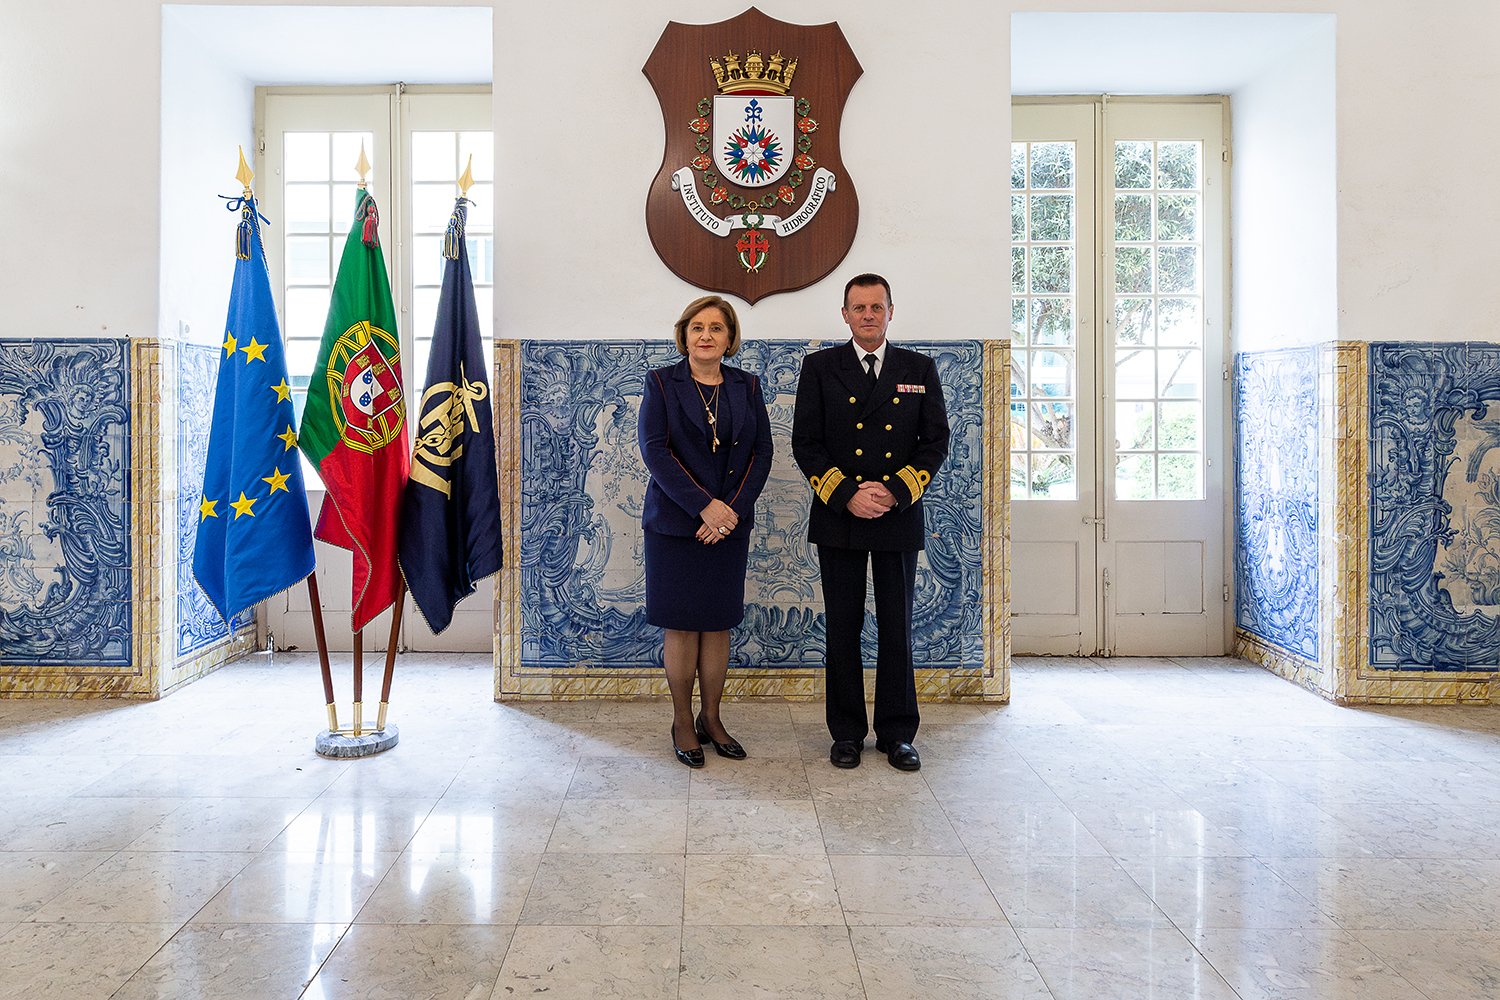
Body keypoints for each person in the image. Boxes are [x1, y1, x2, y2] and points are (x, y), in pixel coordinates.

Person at [791, 273, 950, 771]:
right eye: (858, 307)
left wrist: (896, 491)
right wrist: (847, 495)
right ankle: (846, 733)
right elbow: (806, 443)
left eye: (876, 307)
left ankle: (898, 733)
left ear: (890, 312)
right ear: (845, 315)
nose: (867, 315)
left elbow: (934, 441)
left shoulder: (918, 368)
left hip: (895, 514)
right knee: (843, 625)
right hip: (840, 514)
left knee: (897, 627)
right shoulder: (820, 367)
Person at [639, 295, 774, 767]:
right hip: (676, 527)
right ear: (684, 335)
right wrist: (705, 508)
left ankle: (711, 718)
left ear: (730, 338)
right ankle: (682, 720)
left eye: (717, 328)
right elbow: (655, 452)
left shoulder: (747, 385)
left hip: (728, 526)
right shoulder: (661, 383)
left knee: (717, 624)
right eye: (697, 327)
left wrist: (729, 512)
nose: (706, 335)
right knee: (681, 625)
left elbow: (762, 453)